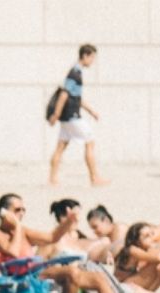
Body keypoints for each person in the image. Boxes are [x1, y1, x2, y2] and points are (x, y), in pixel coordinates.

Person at [47, 44, 108, 187]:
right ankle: (94, 178)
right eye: (92, 57)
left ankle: (52, 178)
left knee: (61, 146)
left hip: (68, 117)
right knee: (90, 141)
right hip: (72, 116)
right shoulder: (75, 73)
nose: (92, 61)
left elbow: (76, 97)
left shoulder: (76, 72)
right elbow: (64, 94)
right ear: (85, 56)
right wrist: (56, 114)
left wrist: (91, 111)